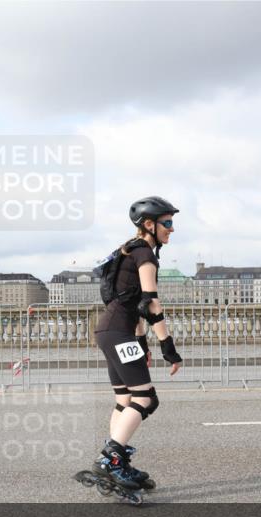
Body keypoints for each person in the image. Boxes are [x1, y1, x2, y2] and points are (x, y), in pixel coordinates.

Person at [91, 196, 184, 492]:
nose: (171, 229)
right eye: (167, 223)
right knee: (146, 399)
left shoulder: (126, 250)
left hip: (110, 330)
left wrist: (142, 343)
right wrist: (168, 347)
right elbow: (149, 303)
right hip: (119, 332)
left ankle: (118, 462)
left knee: (124, 399)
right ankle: (111, 459)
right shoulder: (145, 254)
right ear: (149, 225)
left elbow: (130, 303)